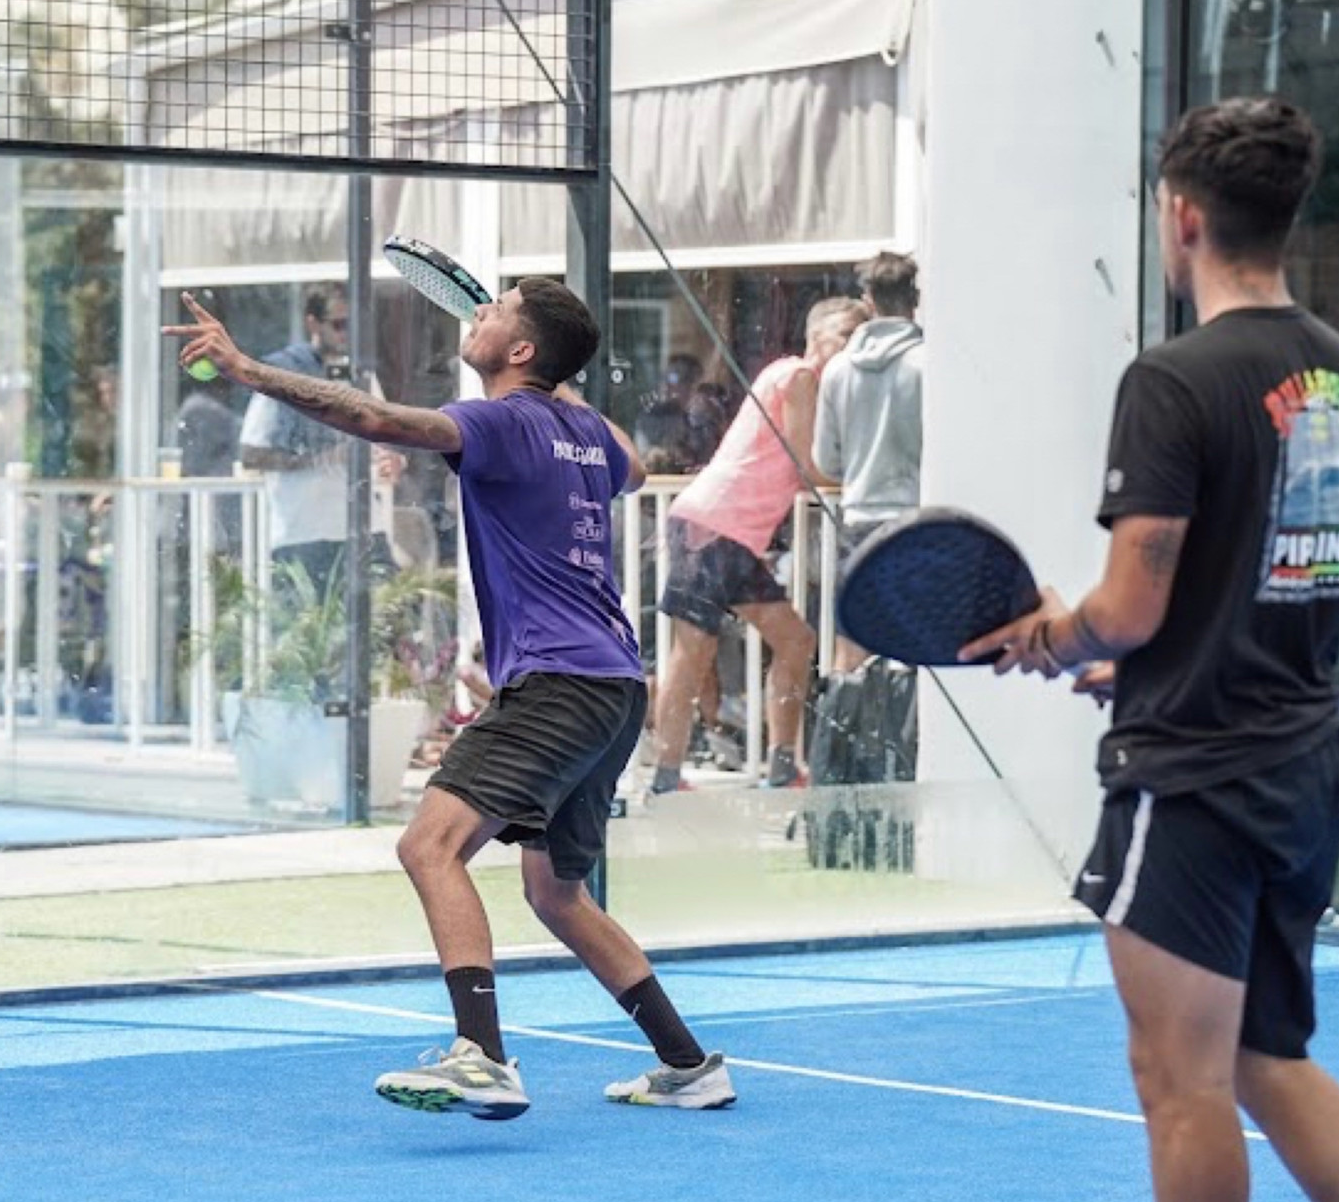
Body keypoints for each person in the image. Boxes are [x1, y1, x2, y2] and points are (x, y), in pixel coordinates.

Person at [962, 97, 1339, 1202]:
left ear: (1181, 216)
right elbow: (1328, 589)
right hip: (1303, 765)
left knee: (1177, 1078)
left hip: (1192, 779)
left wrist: (1055, 636)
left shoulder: (1170, 379)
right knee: (1263, 1054)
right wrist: (1147, 654)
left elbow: (1131, 601)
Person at [166, 277, 735, 1120]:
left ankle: (483, 1056)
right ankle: (688, 1065)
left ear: (522, 350)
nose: (478, 313)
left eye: (495, 309)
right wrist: (564, 386)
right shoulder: (584, 430)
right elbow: (637, 465)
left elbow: (374, 418)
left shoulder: (500, 423)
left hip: (555, 682)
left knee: (429, 845)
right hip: (615, 686)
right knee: (557, 893)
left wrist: (247, 370)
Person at [650, 297, 867, 794]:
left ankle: (783, 766)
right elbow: (807, 465)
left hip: (733, 533)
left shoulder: (795, 378)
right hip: (713, 525)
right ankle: (665, 775)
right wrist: (864, 483)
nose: (852, 346)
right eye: (845, 334)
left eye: (858, 336)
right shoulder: (799, 376)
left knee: (796, 641)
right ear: (816, 336)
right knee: (693, 651)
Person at [237, 283, 404, 608]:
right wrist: (321, 459)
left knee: (385, 625)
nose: (346, 334)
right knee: (307, 632)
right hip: (303, 531)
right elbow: (251, 454)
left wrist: (393, 461)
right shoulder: (283, 376)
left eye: (352, 325)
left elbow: (386, 440)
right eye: (338, 324)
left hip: (363, 528)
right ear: (312, 323)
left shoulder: (361, 376)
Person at [814, 251, 925, 672]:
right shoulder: (930, 364)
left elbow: (826, 459)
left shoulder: (838, 370)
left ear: (869, 300)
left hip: (859, 518)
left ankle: (851, 716)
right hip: (915, 517)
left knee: (853, 644)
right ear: (915, 298)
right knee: (915, 637)